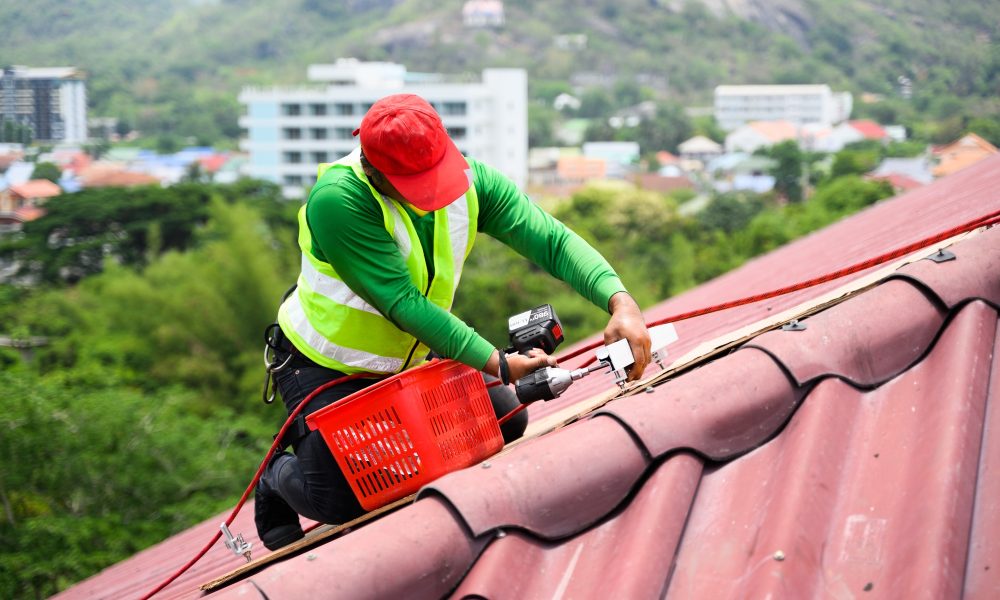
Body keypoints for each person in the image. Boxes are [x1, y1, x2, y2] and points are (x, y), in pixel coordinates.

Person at [254, 93, 651, 550]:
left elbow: (551, 240)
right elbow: (402, 303)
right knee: (346, 498)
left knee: (505, 421)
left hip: (414, 355)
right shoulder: (338, 201)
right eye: (414, 182)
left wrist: (620, 301)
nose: (433, 194)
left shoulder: (471, 178)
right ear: (374, 167)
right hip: (325, 366)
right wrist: (498, 363)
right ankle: (275, 477)